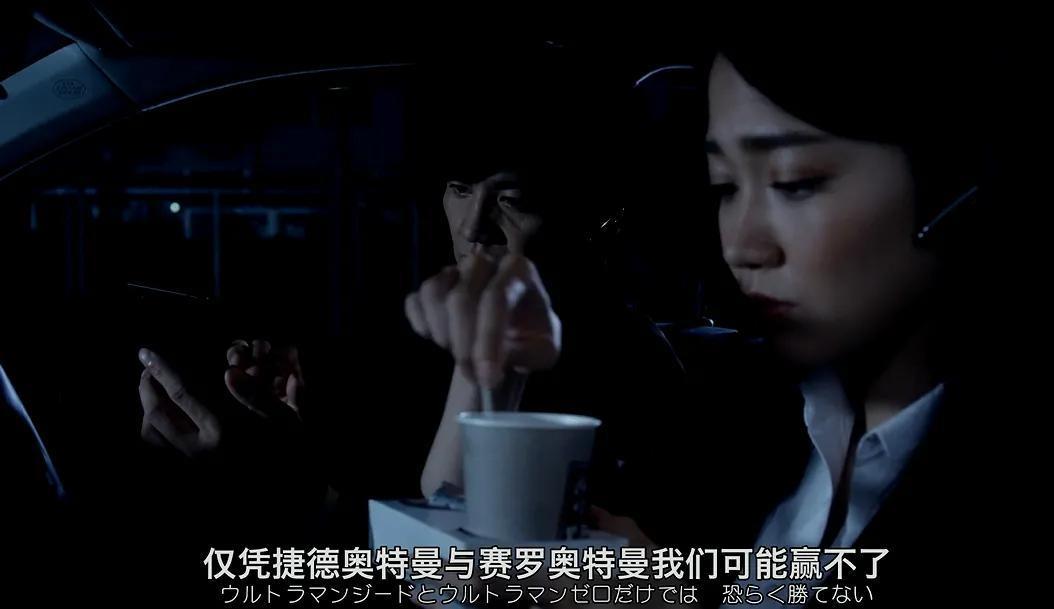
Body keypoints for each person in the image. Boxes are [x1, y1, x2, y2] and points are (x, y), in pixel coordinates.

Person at [405, 33, 1013, 606]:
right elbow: (445, 568)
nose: (742, 245)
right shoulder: (763, 434)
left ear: (953, 190)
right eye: (726, 187)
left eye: (794, 183)